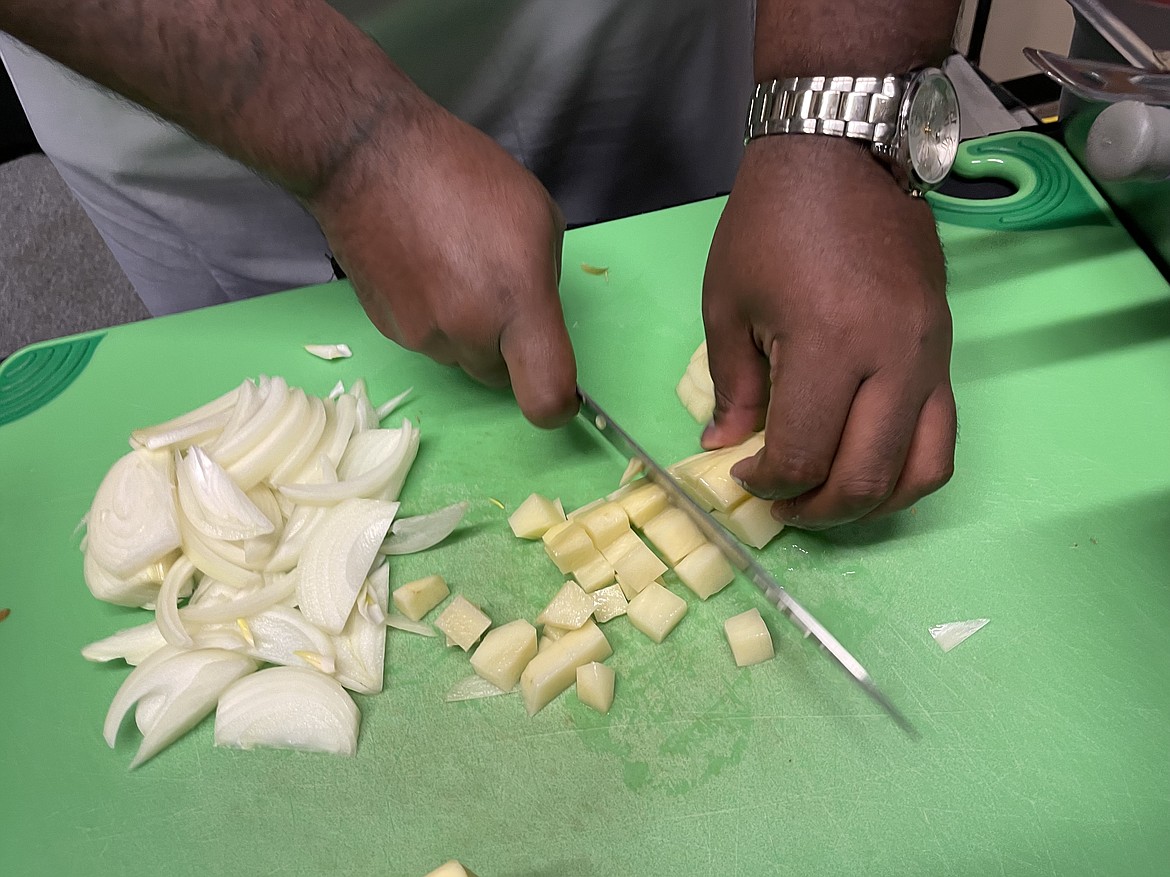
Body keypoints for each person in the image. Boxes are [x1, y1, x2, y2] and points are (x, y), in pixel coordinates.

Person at [0, 0, 959, 530]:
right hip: (197, 72)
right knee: (282, 464)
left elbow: (842, 99)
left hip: (646, 28)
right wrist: (345, 141)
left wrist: (842, 106)